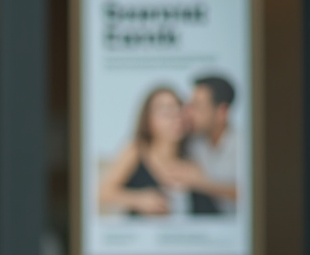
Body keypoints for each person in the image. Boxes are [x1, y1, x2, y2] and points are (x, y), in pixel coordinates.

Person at [98, 86, 221, 217]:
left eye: (179, 109)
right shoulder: (137, 151)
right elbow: (103, 193)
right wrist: (139, 200)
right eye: (166, 111)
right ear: (148, 119)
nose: (175, 116)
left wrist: (201, 183)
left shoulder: (195, 154)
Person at [185, 75, 240, 213]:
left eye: (197, 107)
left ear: (222, 112)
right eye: (189, 106)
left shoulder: (243, 146)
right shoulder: (194, 142)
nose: (189, 113)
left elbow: (252, 193)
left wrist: (201, 183)